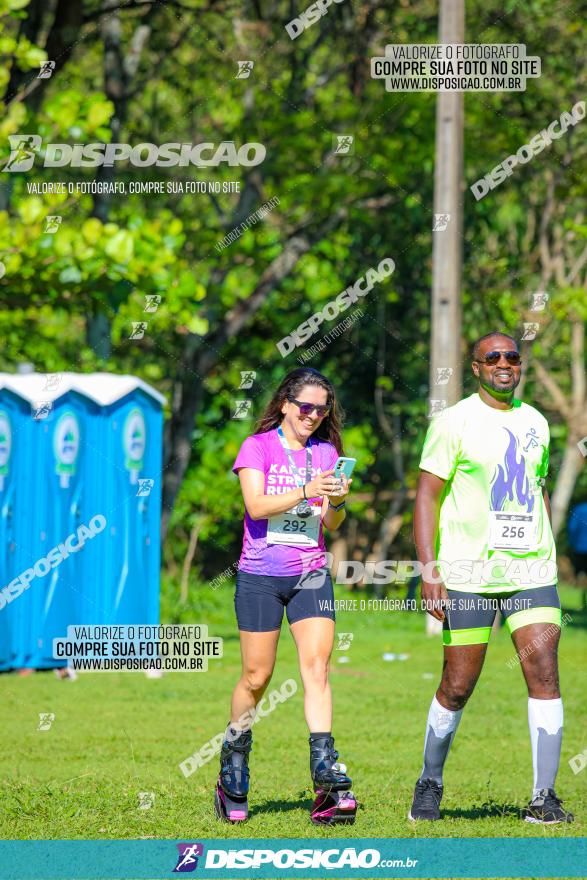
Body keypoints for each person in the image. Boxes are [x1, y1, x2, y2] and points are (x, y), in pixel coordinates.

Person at [410, 331, 574, 825]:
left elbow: (537, 488)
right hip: (468, 571)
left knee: (543, 668)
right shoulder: (453, 421)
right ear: (477, 368)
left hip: (530, 568)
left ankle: (544, 798)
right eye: (493, 358)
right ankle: (429, 782)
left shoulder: (536, 422)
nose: (505, 364)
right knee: (458, 684)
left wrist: (547, 547)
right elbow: (426, 497)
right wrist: (429, 568)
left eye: (512, 357)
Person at [214, 367, 357, 825]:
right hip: (260, 575)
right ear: (285, 405)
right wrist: (306, 490)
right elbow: (255, 506)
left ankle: (324, 774)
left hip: (311, 574)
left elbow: (330, 524)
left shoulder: (326, 453)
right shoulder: (257, 448)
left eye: (322, 408)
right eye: (306, 407)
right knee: (257, 678)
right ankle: (234, 759)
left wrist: (335, 499)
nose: (314, 415)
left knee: (317, 668)